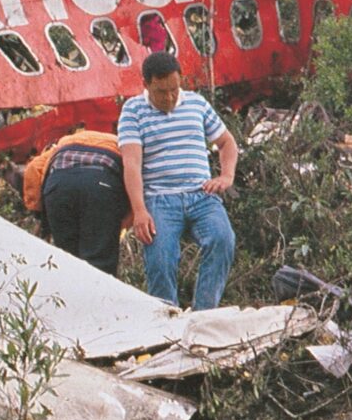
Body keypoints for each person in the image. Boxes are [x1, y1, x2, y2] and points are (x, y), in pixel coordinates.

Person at [118, 52, 237, 310]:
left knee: (222, 238)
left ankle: (204, 314)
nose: (170, 97)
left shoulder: (197, 104)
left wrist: (226, 176)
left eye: (174, 89)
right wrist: (139, 211)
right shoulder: (133, 110)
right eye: (162, 92)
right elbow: (132, 163)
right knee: (160, 259)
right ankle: (166, 322)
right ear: (146, 85)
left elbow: (227, 142)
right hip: (160, 199)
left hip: (201, 194)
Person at [22, 130, 129, 276]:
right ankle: (97, 297)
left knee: (67, 259)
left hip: (59, 184)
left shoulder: (62, 143)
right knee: (99, 263)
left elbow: (33, 169)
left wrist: (38, 210)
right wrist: (116, 227)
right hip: (100, 183)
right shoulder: (124, 146)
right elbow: (136, 184)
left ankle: (69, 296)